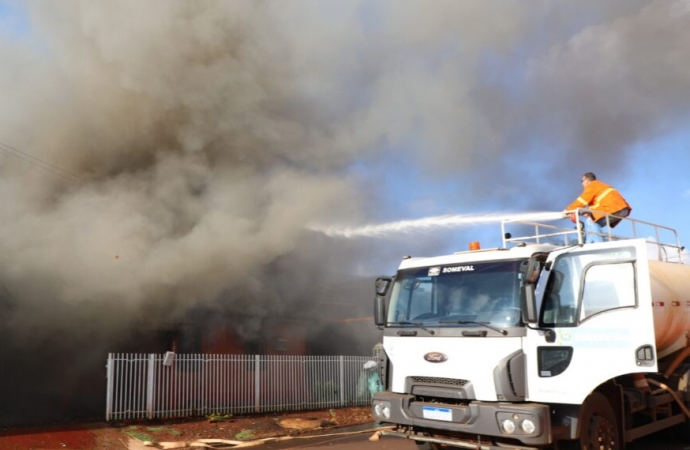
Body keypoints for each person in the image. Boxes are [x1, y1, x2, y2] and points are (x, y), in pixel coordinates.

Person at [565, 172, 632, 243]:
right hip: (622, 209)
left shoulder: (592, 186)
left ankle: (599, 244)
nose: (582, 183)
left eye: (582, 181)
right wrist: (590, 212)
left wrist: (568, 210)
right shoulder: (601, 186)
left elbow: (582, 201)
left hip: (615, 208)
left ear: (587, 180)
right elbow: (603, 202)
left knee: (590, 222)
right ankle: (589, 245)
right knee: (591, 223)